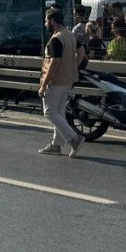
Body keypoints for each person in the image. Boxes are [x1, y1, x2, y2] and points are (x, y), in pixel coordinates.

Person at [38, 9, 84, 158]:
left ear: (52, 21)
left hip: (55, 81)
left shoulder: (56, 39)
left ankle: (74, 138)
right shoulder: (70, 35)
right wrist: (72, 67)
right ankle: (56, 145)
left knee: (50, 112)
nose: (45, 24)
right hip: (68, 80)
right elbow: (82, 52)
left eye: (46, 21)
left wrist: (44, 85)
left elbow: (54, 62)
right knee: (59, 113)